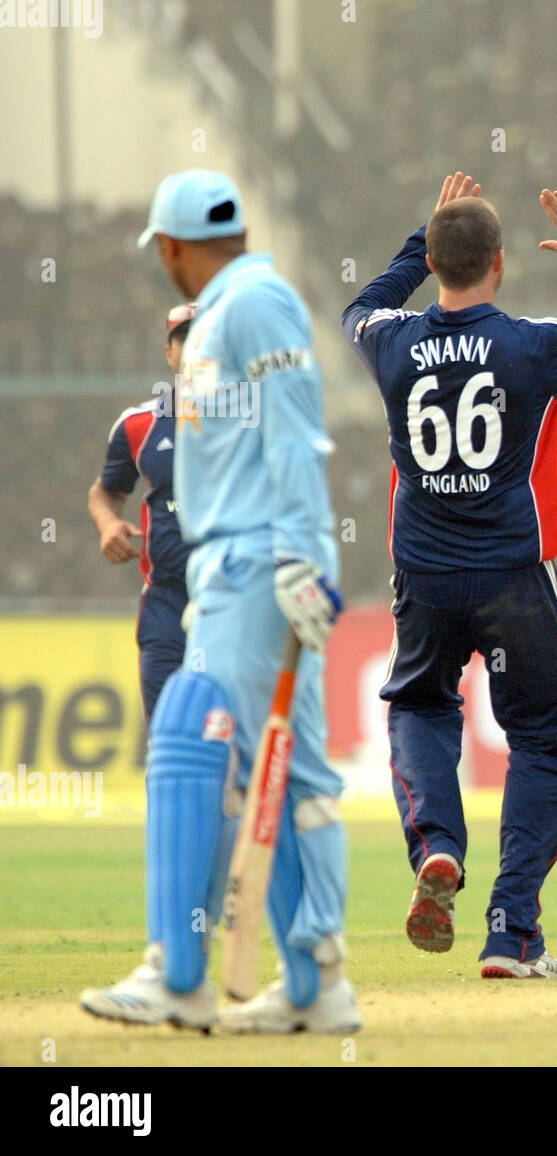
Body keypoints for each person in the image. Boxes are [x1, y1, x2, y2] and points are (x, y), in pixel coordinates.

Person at [343, 173, 557, 978]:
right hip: (514, 577)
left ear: (433, 259)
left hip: (422, 574)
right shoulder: (534, 343)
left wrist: (415, 248)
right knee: (551, 743)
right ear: (500, 264)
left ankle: (439, 846)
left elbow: (359, 305)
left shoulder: (387, 340)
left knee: (420, 704)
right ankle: (512, 927)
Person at [80, 169, 356, 1032]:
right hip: (224, 572)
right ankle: (311, 983)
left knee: (199, 750)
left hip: (256, 565)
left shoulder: (254, 303)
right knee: (273, 772)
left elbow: (298, 433)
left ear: (171, 245)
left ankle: (185, 972)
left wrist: (305, 561)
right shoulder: (226, 314)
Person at [88, 302, 196, 725]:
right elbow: (105, 492)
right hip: (166, 602)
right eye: (184, 337)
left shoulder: (254, 418)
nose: (196, 346)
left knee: (236, 747)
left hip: (235, 597)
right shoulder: (139, 424)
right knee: (169, 739)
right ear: (169, 352)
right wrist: (108, 523)